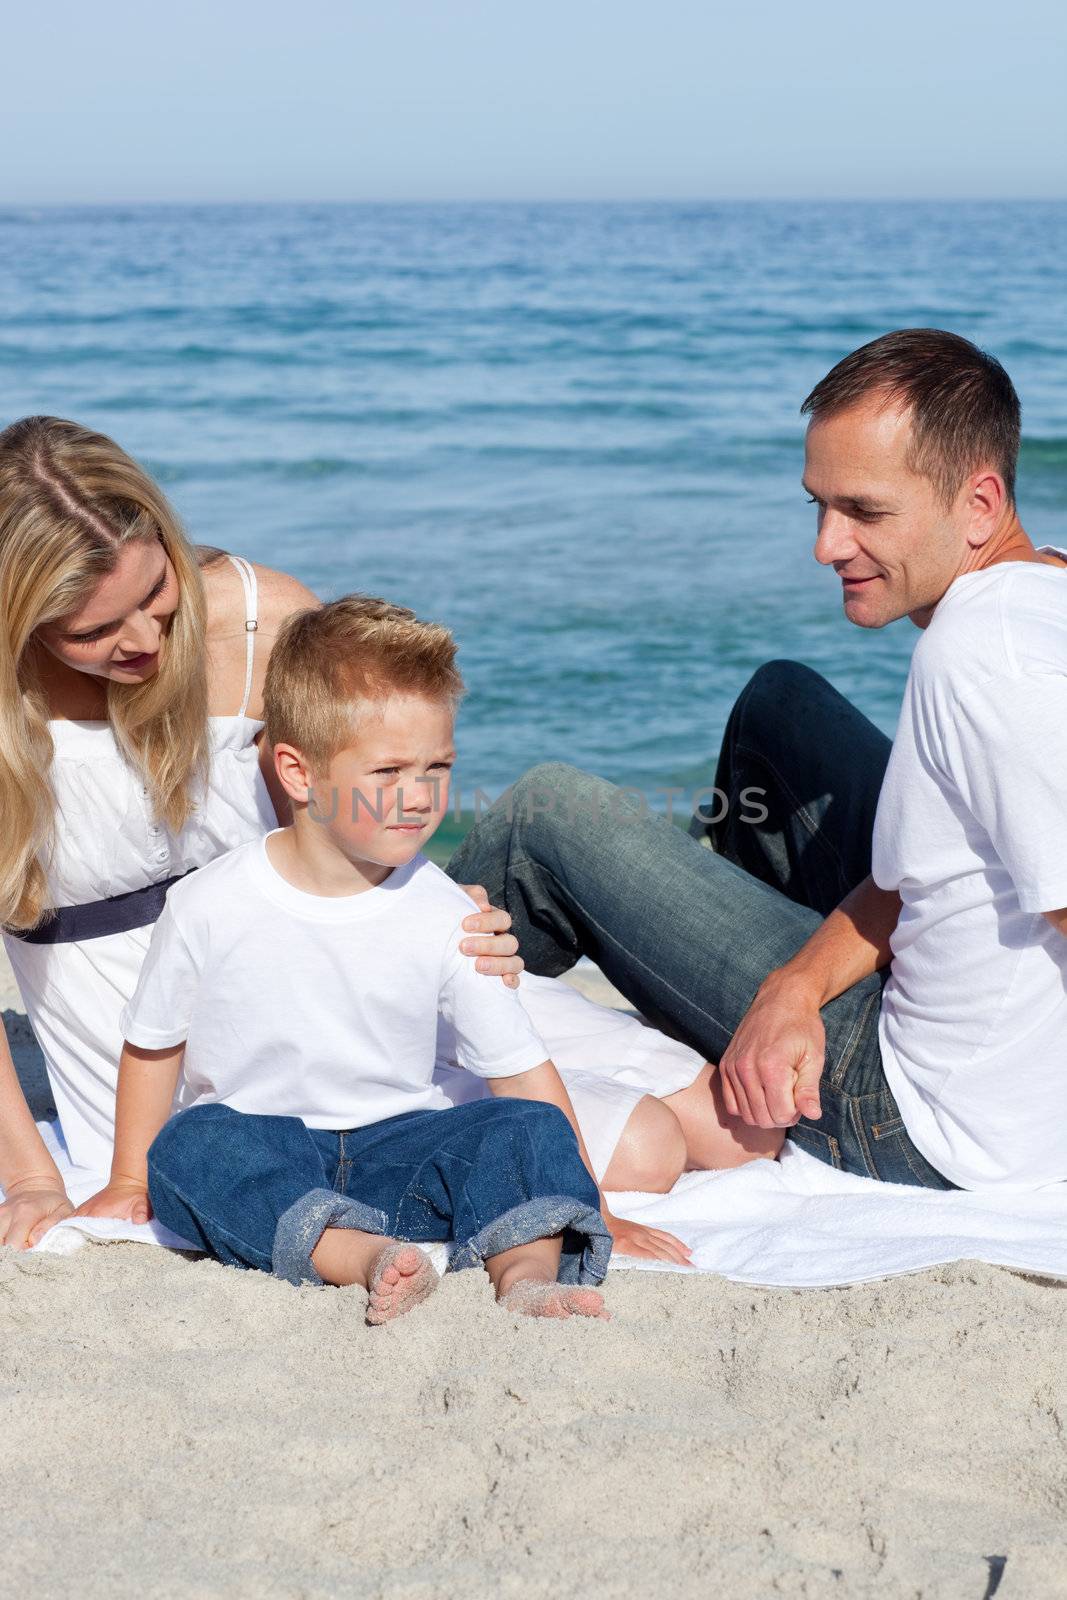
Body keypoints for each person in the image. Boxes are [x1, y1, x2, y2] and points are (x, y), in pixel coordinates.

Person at [448, 329, 1067, 1192]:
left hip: (916, 1119)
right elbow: (935, 866)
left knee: (543, 818)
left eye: (864, 511)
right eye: (818, 504)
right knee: (778, 706)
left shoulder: (981, 656)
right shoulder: (1047, 585)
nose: (826, 544)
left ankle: (366, 1046)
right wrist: (792, 988)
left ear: (978, 503)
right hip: (970, 1038)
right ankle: (734, 1036)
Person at [0, 417, 523, 1250]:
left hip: (335, 995)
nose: (141, 641)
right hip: (133, 1060)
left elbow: (349, 818)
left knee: (658, 1137)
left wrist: (425, 899)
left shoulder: (259, 618)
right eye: (92, 632)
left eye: (152, 595)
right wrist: (31, 1179)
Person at [75, 599, 620, 1322]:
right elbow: (153, 1044)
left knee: (525, 1128)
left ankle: (523, 1276)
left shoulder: (446, 912)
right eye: (388, 770)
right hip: (264, 1142)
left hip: (406, 1147)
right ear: (299, 775)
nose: (419, 796)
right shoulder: (210, 902)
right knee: (188, 1148)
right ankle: (359, 1257)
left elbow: (520, 1072)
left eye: (437, 767)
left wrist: (589, 1199)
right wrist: (123, 1176)